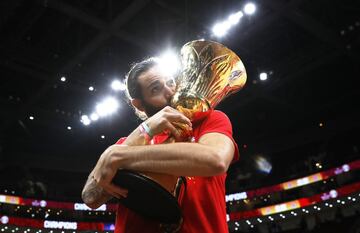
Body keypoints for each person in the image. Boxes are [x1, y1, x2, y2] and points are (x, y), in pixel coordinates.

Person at [81, 58, 239, 233]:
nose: (170, 91)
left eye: (170, 82)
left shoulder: (211, 120)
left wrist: (120, 157)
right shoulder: (125, 144)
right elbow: (90, 197)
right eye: (156, 88)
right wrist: (144, 131)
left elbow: (215, 160)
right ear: (139, 105)